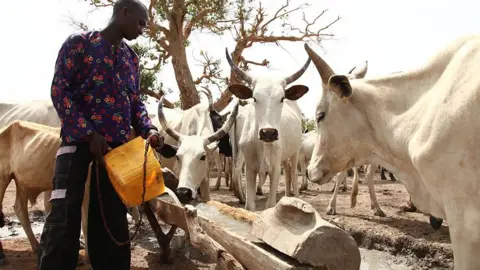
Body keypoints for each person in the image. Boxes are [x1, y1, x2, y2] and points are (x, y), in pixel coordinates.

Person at [38, 0, 165, 269]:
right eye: (141, 22)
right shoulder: (78, 43)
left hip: (117, 153)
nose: (143, 29)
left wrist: (149, 129)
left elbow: (135, 104)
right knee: (63, 216)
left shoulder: (131, 58)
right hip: (76, 143)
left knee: (113, 219)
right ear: (124, 12)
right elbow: (60, 91)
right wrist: (88, 133)